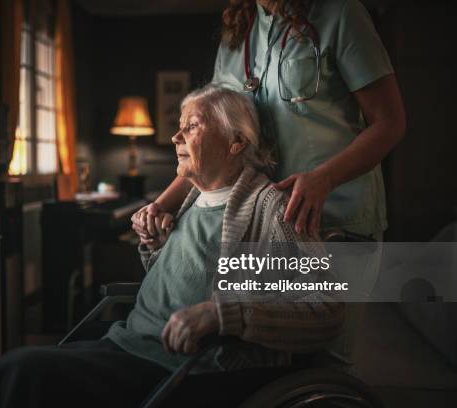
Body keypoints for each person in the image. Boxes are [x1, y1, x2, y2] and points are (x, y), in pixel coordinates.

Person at [0, 86, 344, 408]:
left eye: (191, 126)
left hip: (183, 368)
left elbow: (323, 311)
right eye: (179, 126)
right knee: (13, 373)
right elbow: (183, 280)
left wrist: (223, 315)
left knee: (22, 373)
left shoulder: (271, 207)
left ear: (236, 141)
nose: (175, 137)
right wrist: (156, 247)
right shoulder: (193, 199)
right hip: (129, 342)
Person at [133, 0, 406, 365]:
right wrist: (163, 203)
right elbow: (210, 141)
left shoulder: (340, 14)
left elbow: (390, 123)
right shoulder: (238, 32)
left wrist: (324, 179)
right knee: (265, 353)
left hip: (337, 221)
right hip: (268, 226)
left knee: (321, 357)